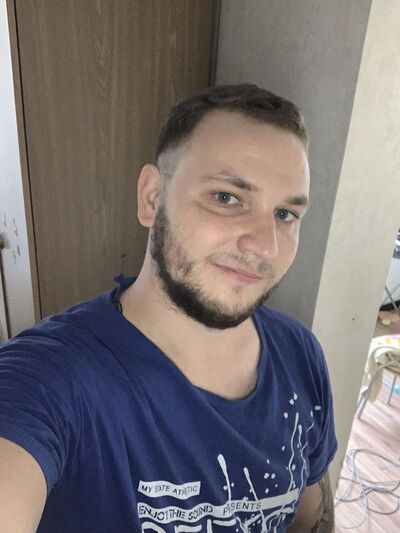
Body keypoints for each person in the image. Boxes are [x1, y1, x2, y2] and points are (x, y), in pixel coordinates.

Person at [0, 84, 337, 532]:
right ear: (152, 198)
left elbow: (312, 517)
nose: (265, 246)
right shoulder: (49, 379)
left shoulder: (301, 355)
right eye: (226, 198)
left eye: (285, 215)